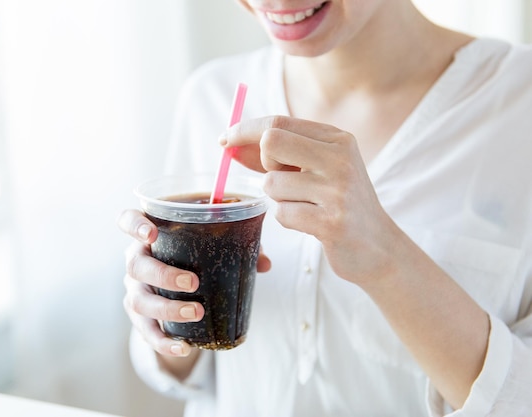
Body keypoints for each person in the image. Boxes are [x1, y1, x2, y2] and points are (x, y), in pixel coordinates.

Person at [117, 0, 532, 415]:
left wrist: (384, 255)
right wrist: (166, 311)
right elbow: (193, 370)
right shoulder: (212, 94)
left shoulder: (518, 105)